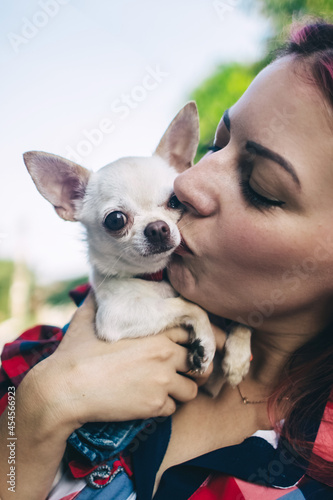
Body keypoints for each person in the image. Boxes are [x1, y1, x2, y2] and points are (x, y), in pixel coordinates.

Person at [1, 19, 333, 500]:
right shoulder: (38, 358)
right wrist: (37, 410)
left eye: (260, 187)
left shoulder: (310, 477)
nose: (187, 184)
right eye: (216, 146)